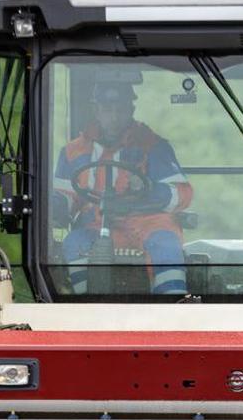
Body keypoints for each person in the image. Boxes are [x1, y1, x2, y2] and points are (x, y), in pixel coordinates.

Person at [51, 82, 194, 295]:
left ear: (131, 110)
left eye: (121, 109)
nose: (115, 117)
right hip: (97, 224)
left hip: (147, 223)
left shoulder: (154, 146)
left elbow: (182, 193)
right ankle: (82, 305)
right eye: (108, 110)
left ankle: (174, 308)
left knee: (166, 243)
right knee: (74, 242)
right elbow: (65, 196)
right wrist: (54, 207)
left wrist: (150, 190)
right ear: (96, 110)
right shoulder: (73, 152)